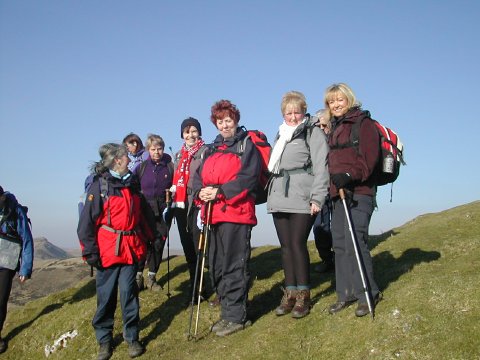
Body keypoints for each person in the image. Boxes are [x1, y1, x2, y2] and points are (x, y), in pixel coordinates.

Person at [77, 143, 155, 359]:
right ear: (117, 160)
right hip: (107, 251)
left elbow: (142, 215)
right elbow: (86, 223)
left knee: (129, 294)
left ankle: (132, 338)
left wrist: (152, 237)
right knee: (106, 297)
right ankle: (104, 341)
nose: (130, 159)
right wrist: (90, 253)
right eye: (125, 157)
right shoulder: (99, 187)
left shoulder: (132, 184)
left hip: (130, 249)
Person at [193, 99, 260, 336]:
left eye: (228, 120)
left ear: (236, 120)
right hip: (213, 215)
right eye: (220, 121)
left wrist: (220, 192)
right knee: (219, 265)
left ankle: (236, 317)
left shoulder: (246, 145)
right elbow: (198, 177)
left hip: (237, 214)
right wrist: (200, 191)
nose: (224, 125)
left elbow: (249, 178)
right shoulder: (211, 148)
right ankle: (228, 312)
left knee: (234, 264)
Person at [266, 91, 329, 319]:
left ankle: (304, 294)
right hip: (279, 195)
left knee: (297, 243)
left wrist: (318, 197)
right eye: (288, 112)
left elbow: (322, 166)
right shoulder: (280, 135)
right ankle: (289, 293)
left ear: (304, 111)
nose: (293, 116)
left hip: (302, 194)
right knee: (285, 246)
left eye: (297, 112)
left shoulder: (312, 132)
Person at [324, 83, 382, 317]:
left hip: (360, 192)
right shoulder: (334, 127)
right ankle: (345, 294)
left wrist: (348, 176)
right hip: (338, 194)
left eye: (340, 100)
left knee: (355, 241)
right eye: (331, 101)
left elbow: (369, 159)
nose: (336, 104)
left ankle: (367, 293)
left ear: (349, 99)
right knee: (339, 244)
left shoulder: (363, 123)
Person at [169, 117, 208, 303]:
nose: (190, 135)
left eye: (194, 131)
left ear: (199, 132)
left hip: (198, 205)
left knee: (198, 247)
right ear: (182, 134)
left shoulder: (206, 151)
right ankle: (194, 287)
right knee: (188, 249)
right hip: (181, 206)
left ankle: (201, 288)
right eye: (187, 131)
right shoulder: (178, 155)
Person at [133, 134, 174, 291]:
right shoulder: (142, 167)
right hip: (145, 209)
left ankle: (151, 277)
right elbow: (132, 183)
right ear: (148, 150)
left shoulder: (170, 166)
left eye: (159, 148)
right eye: (153, 149)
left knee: (158, 243)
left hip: (164, 209)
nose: (157, 152)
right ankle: (138, 277)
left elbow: (176, 184)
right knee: (142, 243)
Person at [0, 186, 33, 354]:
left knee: (1, 299)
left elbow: (26, 239)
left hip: (7, 261)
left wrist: (25, 269)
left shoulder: (15, 210)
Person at [312, 109, 334, 273]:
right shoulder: (313, 141)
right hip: (322, 190)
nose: (321, 128)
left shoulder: (336, 139)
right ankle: (327, 259)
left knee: (341, 227)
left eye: (324, 125)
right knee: (320, 227)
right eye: (318, 125)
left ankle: (341, 260)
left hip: (337, 188)